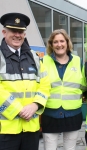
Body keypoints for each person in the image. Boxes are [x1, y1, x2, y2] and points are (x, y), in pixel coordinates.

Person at [0, 13, 50, 150]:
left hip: (31, 128)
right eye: (13, 31)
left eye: (20, 31)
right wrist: (17, 109)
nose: (17, 35)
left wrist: (35, 104)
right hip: (5, 130)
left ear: (25, 34)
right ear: (4, 32)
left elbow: (45, 84)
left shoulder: (34, 57)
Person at [41, 29, 86, 150]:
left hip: (73, 114)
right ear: (51, 44)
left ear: (67, 42)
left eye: (62, 41)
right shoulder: (43, 61)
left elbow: (84, 86)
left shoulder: (79, 62)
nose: (59, 44)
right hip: (50, 114)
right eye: (55, 42)